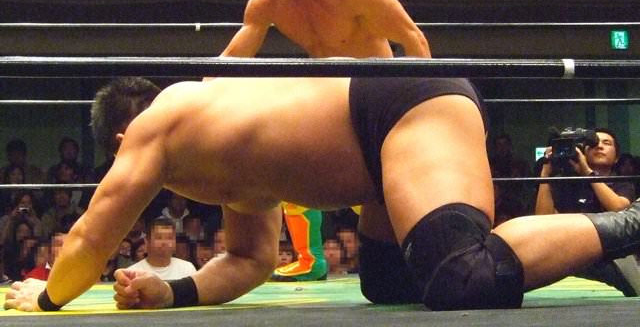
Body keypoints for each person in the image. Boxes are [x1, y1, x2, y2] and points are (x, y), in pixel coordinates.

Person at [7, 76, 640, 313]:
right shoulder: (212, 146)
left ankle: (631, 225)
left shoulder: (160, 124)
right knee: (388, 283)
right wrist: (171, 292)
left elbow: (91, 236)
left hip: (400, 108)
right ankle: (603, 256)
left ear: (123, 139)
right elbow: (250, 259)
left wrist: (48, 297)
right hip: (378, 154)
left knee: (460, 278)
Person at [220, 0, 431, 282]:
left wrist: (423, 108)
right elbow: (229, 63)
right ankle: (309, 258)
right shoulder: (269, 0)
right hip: (327, 96)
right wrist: (192, 103)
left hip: (375, 95)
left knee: (386, 193)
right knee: (286, 156)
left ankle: (428, 252)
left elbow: (413, 38)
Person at [535, 128, 640, 296]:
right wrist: (545, 173)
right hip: (574, 253)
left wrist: (587, 172)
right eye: (594, 143)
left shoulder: (622, 183)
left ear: (616, 158)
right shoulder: (568, 183)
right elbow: (542, 220)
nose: (599, 146)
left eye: (607, 143)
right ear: (583, 152)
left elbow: (619, 210)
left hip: (615, 256)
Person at [127, 217, 196, 281]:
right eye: (159, 238)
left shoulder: (187, 269)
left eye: (169, 238)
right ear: (147, 241)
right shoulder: (133, 273)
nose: (164, 242)